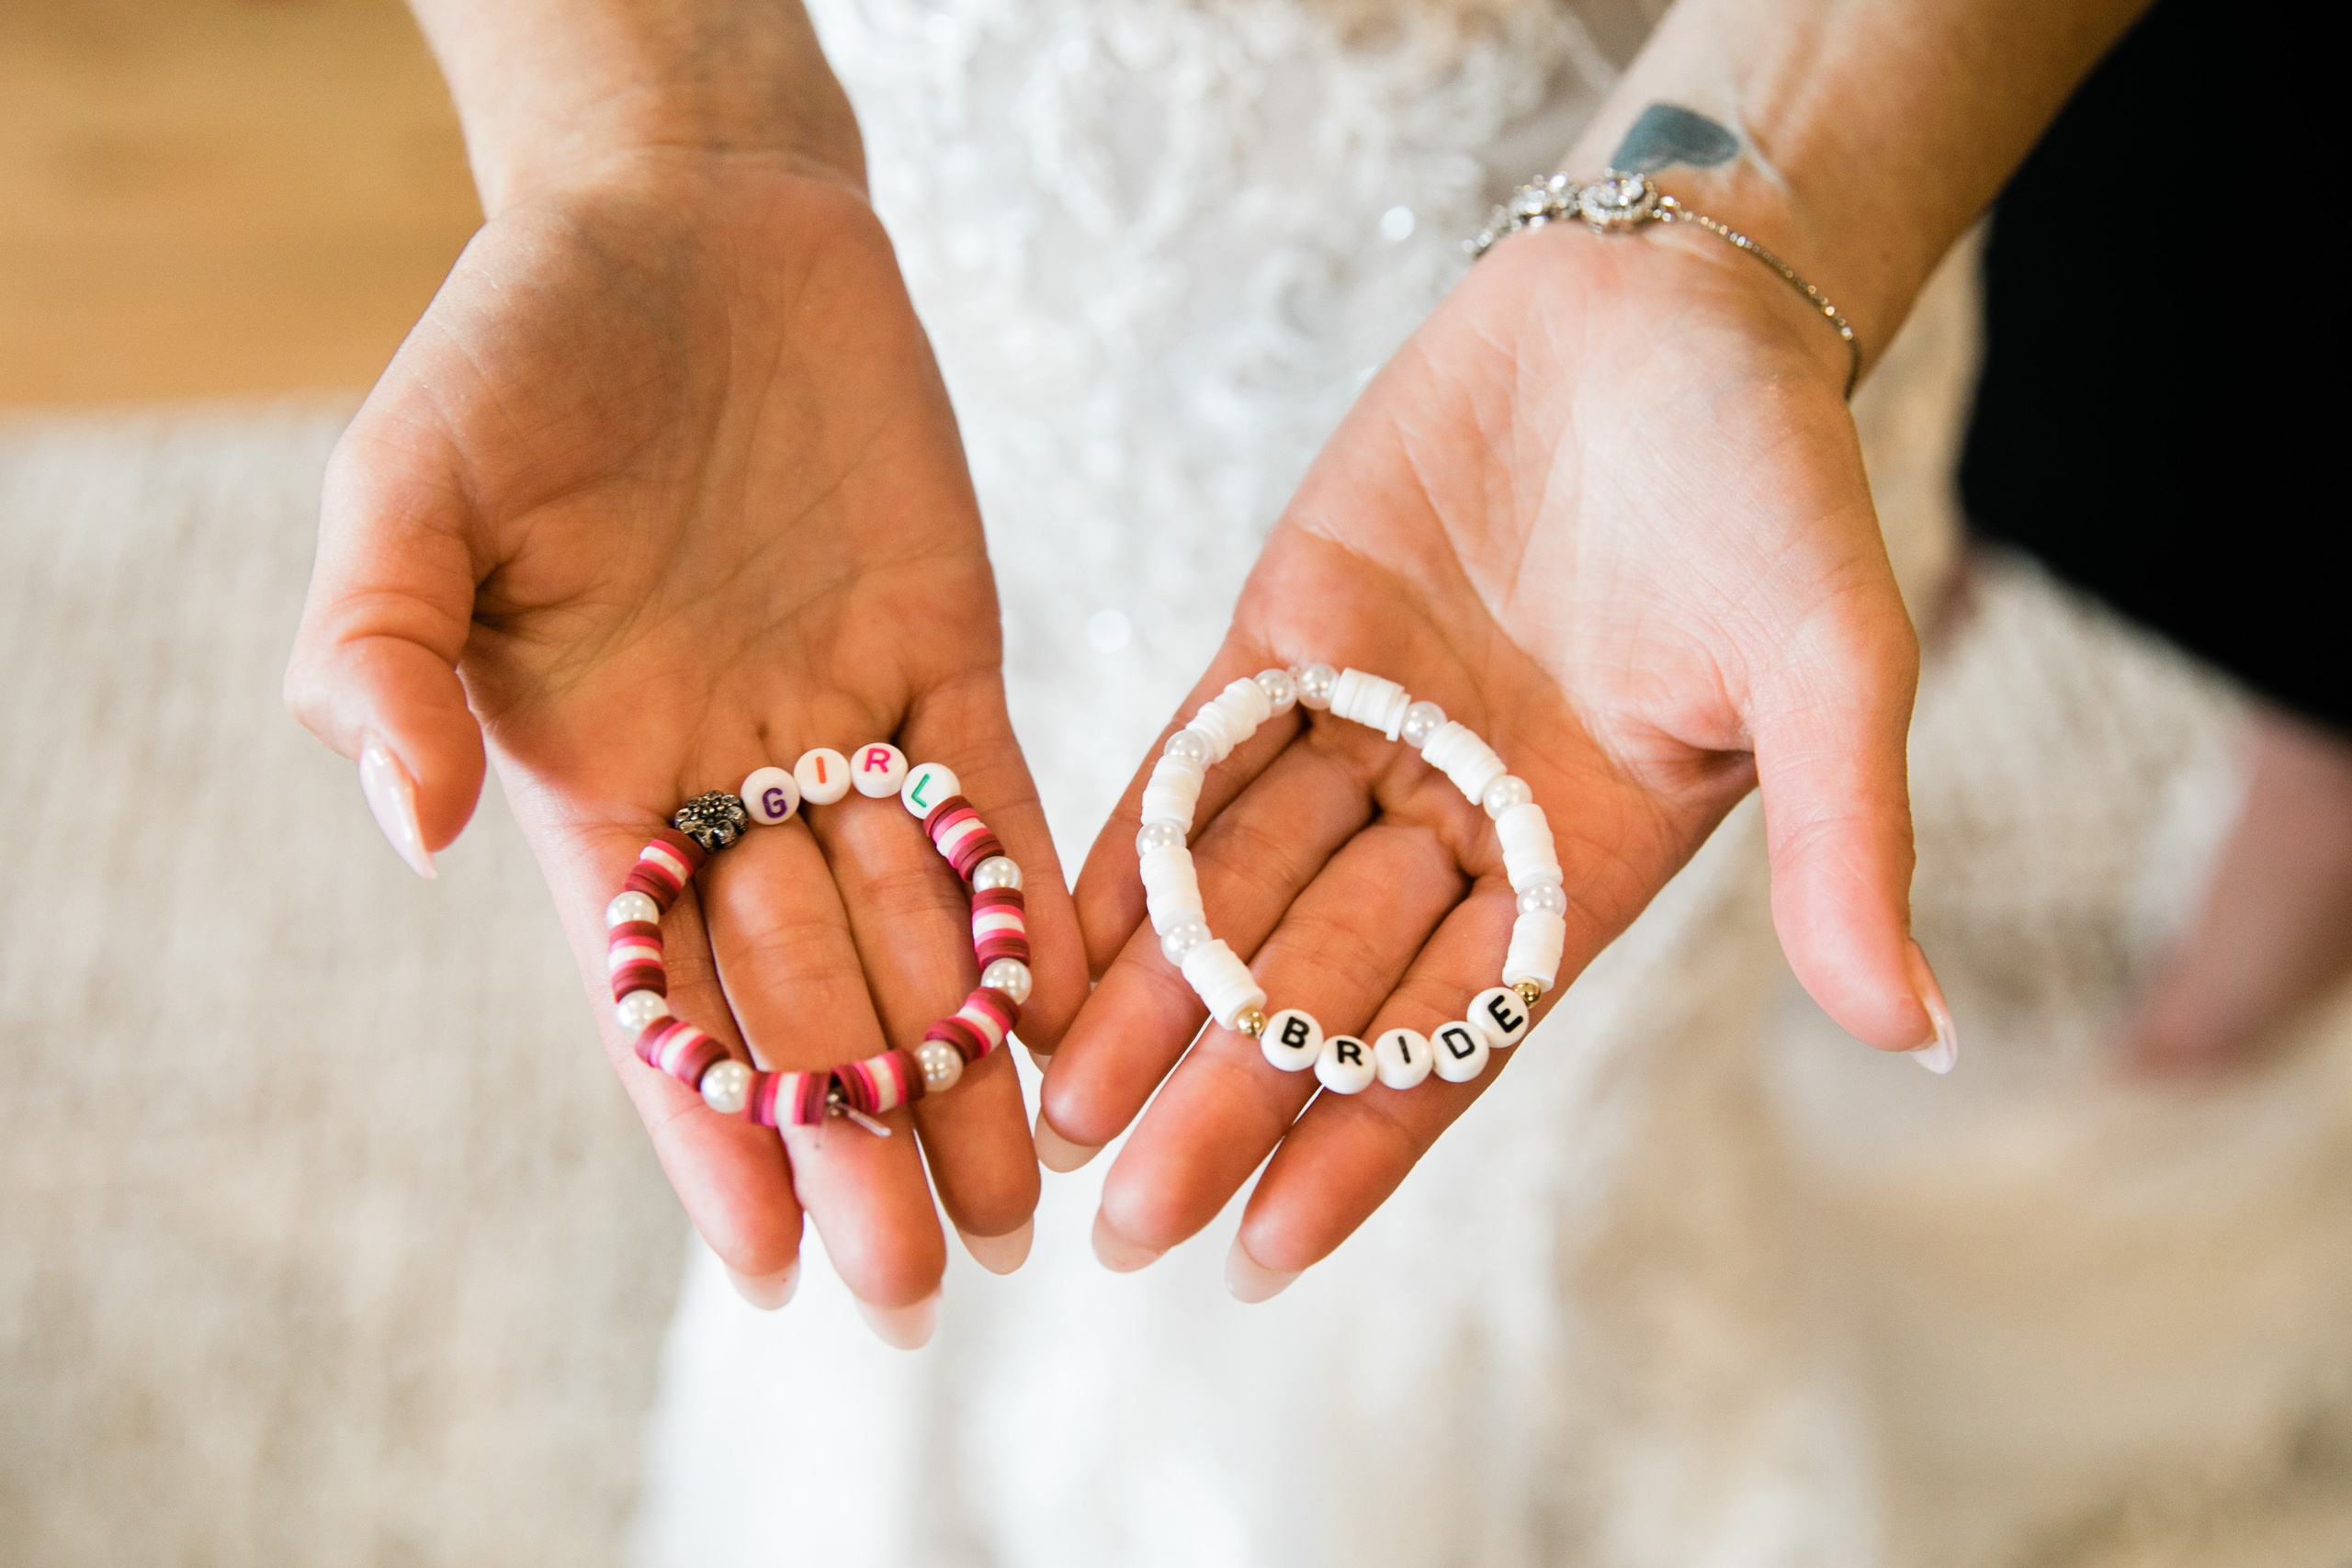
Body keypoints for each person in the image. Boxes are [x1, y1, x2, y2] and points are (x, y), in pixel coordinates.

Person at [284, 0, 2197, 1340]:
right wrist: (641, 126)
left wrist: (1747, 237)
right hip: (899, 247)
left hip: (1695, 214)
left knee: (1554, 1158)